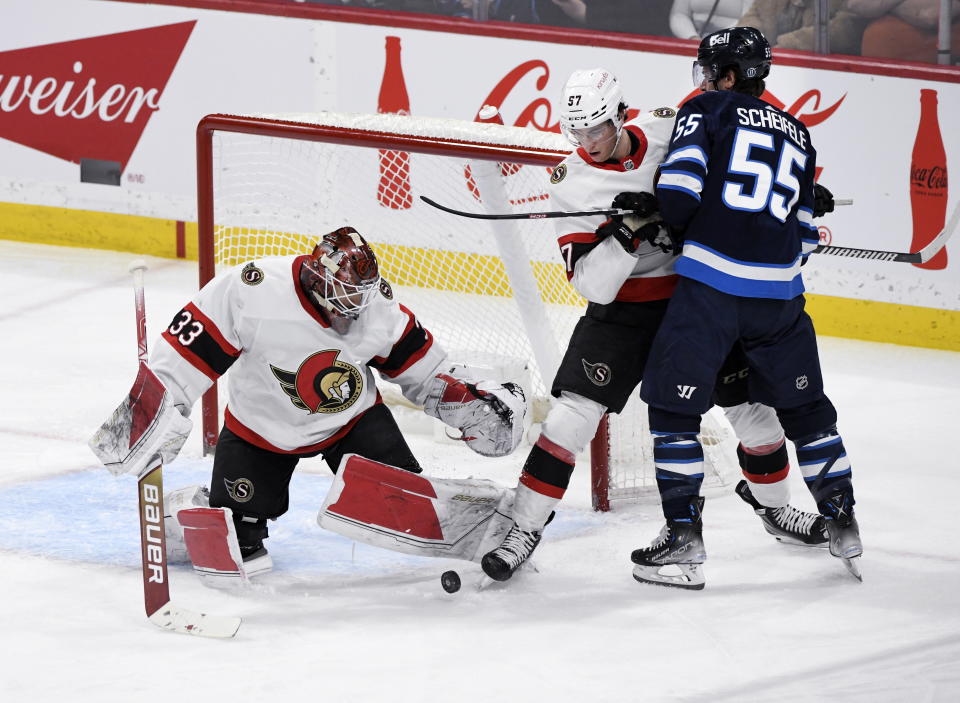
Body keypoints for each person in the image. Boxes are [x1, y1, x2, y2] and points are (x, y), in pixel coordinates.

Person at [479, 68, 828, 584]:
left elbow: (743, 157)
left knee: (757, 418)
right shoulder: (569, 182)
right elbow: (592, 285)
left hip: (697, 300)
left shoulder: (668, 129)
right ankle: (523, 528)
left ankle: (775, 509)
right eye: (575, 132)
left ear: (621, 115)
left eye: (595, 129)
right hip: (623, 315)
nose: (586, 143)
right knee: (568, 421)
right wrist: (627, 234)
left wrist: (798, 194)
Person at [89, 227, 527, 582]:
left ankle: (500, 528)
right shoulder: (251, 291)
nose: (355, 311)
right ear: (319, 281)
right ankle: (189, 509)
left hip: (350, 422)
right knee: (239, 546)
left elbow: (425, 371)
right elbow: (182, 356)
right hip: (259, 431)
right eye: (346, 300)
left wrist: (468, 403)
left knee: (404, 504)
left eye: (361, 299)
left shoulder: (375, 309)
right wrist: (149, 415)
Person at [631, 26, 863, 589]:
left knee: (672, 410)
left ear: (729, 76)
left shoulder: (706, 109)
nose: (705, 80)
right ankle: (843, 520)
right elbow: (805, 240)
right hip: (780, 301)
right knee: (808, 412)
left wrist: (662, 212)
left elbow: (682, 195)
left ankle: (683, 537)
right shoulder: (801, 134)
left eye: (711, 71)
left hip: (712, 292)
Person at [737, 0, 867, 55]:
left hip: (825, 79)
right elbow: (752, 19)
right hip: (772, 77)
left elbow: (846, 28)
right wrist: (747, 44)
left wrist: (785, 47)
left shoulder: (845, 4)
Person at [849, 0, 960, 63]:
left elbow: (931, 14)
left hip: (930, 75)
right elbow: (857, 4)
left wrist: (883, 7)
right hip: (874, 75)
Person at [670, 0, 756, 39]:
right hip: (696, 44)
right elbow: (679, 14)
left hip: (732, 47)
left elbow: (751, 20)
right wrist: (692, 37)